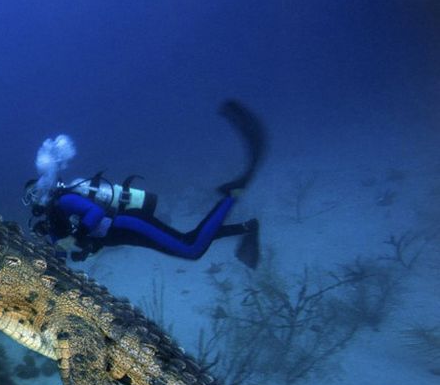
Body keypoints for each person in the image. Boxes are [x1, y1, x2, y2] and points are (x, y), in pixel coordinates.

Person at [25, 100, 264, 268]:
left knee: (191, 249)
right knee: (187, 241)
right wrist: (66, 252)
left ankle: (231, 195)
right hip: (125, 234)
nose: (33, 198)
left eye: (33, 192)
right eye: (30, 197)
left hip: (129, 224)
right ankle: (245, 227)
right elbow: (61, 249)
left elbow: (95, 211)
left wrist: (80, 234)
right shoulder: (53, 222)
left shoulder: (63, 200)